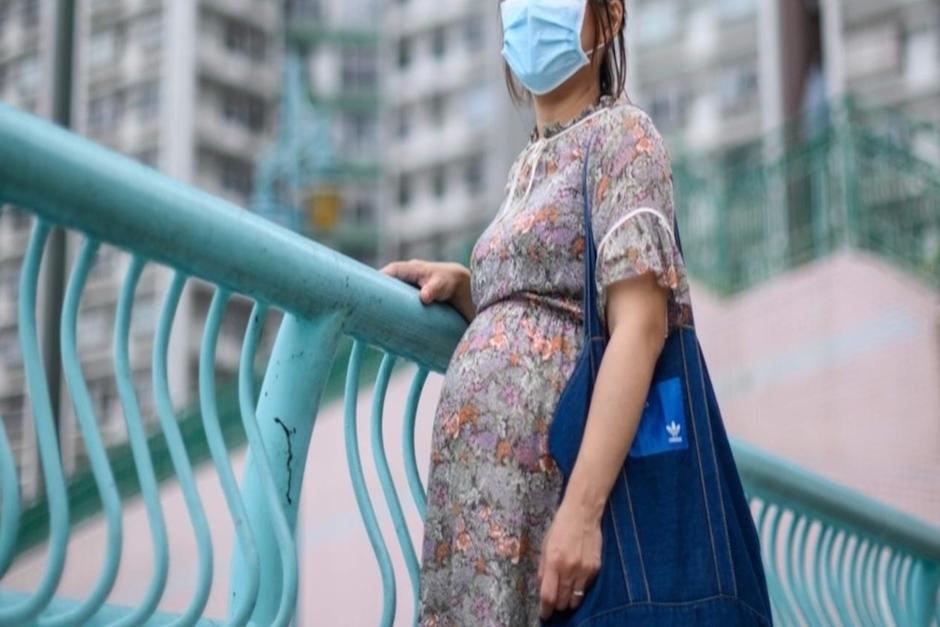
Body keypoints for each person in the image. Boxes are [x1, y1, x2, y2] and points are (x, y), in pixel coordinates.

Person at [381, 1, 768, 625]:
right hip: (482, 521)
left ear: (609, 18)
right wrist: (476, 290)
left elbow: (639, 326)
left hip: (552, 509)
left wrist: (582, 515)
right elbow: (557, 306)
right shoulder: (526, 166)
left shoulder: (622, 136)